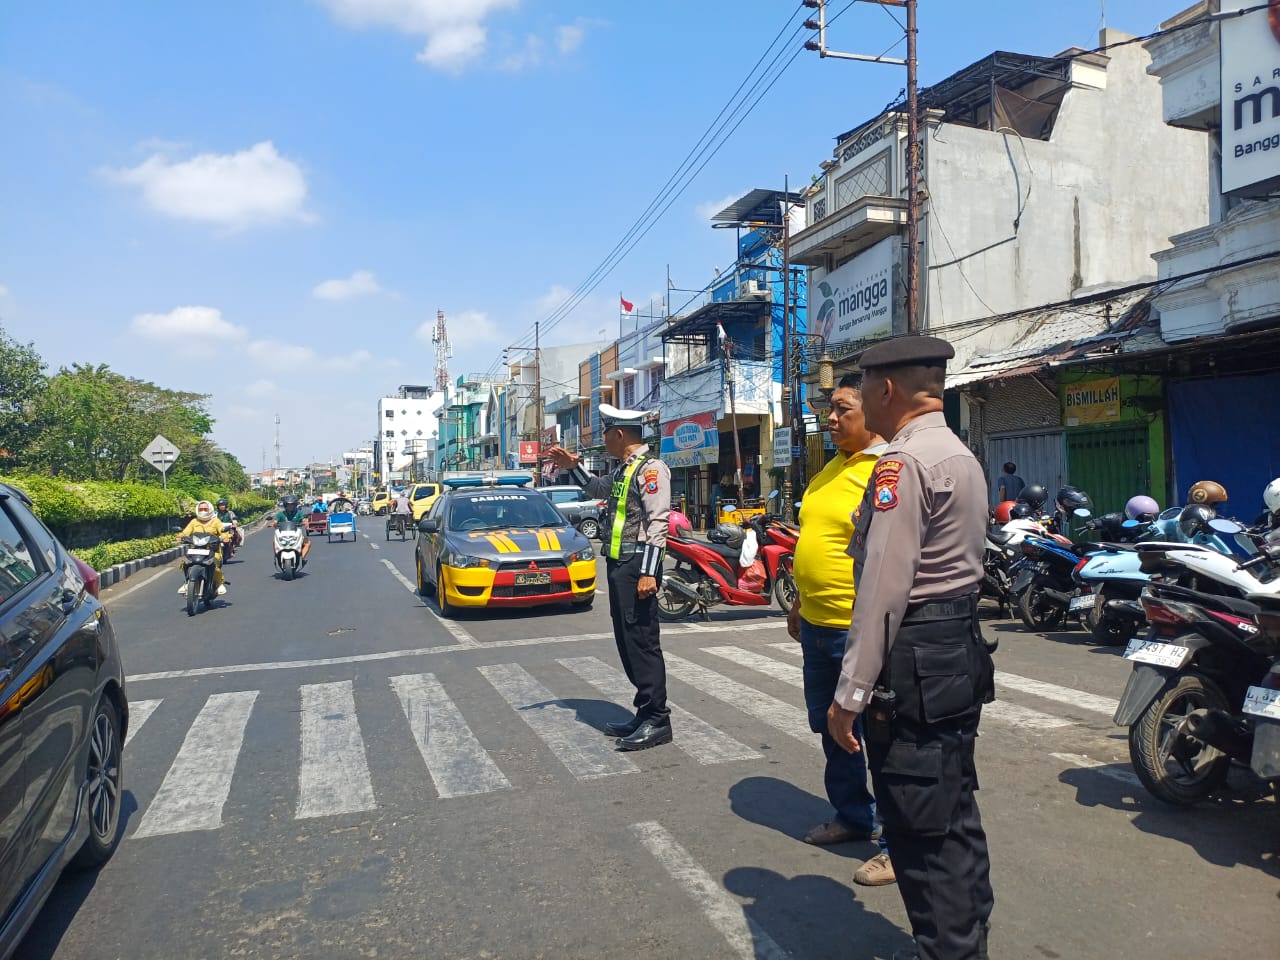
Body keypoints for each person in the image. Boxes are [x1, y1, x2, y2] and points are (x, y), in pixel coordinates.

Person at [827, 336, 996, 960]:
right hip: (955, 648)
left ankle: (947, 949)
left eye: (863, 388)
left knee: (920, 827)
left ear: (887, 389)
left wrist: (849, 694)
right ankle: (965, 941)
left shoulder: (902, 464)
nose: (860, 399)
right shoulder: (959, 453)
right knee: (952, 812)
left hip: (916, 655)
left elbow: (882, 591)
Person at [787, 374, 895, 885]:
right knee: (832, 729)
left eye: (842, 408)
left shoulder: (886, 469)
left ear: (870, 410)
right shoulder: (830, 468)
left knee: (882, 738)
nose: (830, 418)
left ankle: (897, 844)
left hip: (860, 630)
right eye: (829, 409)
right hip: (816, 624)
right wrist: (799, 602)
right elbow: (815, 537)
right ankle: (854, 817)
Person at [546, 403, 673, 751]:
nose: (604, 439)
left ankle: (657, 719)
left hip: (637, 566)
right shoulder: (623, 469)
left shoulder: (651, 469)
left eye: (606, 433)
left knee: (642, 642)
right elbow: (599, 489)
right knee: (627, 640)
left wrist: (649, 572)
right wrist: (574, 468)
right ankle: (644, 712)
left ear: (619, 434)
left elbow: (658, 522)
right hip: (620, 565)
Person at [176, 499, 231, 595]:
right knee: (186, 563)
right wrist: (180, 536)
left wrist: (225, 537)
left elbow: (222, 531)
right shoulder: (194, 521)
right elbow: (186, 531)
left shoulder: (216, 521)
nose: (203, 511)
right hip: (195, 549)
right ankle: (187, 583)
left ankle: (219, 584)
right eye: (201, 509)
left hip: (213, 549)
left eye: (205, 509)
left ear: (210, 509)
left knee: (214, 564)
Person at [269, 494, 312, 565]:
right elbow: (275, 521)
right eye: (289, 505)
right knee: (275, 542)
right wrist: (272, 524)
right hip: (283, 534)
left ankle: (302, 558)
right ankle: (277, 556)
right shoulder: (281, 514)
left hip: (296, 534)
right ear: (285, 505)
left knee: (308, 543)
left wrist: (306, 522)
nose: (290, 506)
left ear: (295, 505)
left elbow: (304, 519)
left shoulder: (299, 513)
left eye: (292, 505)